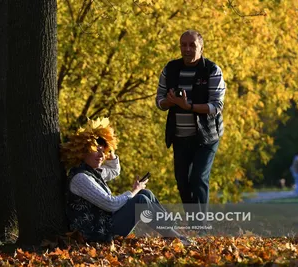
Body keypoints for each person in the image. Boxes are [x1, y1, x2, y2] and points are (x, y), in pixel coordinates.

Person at [60, 117, 191, 245]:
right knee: (140, 200)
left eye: (103, 151)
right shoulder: (81, 178)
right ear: (82, 152)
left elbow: (113, 170)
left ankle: (171, 232)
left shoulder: (91, 172)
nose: (101, 155)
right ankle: (175, 237)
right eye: (96, 151)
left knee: (145, 194)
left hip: (105, 224)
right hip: (96, 233)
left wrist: (110, 151)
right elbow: (110, 204)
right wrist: (134, 191)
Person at [155, 30, 226, 206]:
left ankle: (200, 228)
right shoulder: (170, 69)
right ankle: (194, 222)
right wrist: (170, 102)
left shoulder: (212, 70)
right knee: (182, 181)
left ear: (201, 48)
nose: (187, 49)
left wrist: (189, 107)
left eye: (192, 45)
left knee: (198, 178)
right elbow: (159, 100)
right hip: (180, 136)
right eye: (183, 45)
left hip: (207, 136)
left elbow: (216, 106)